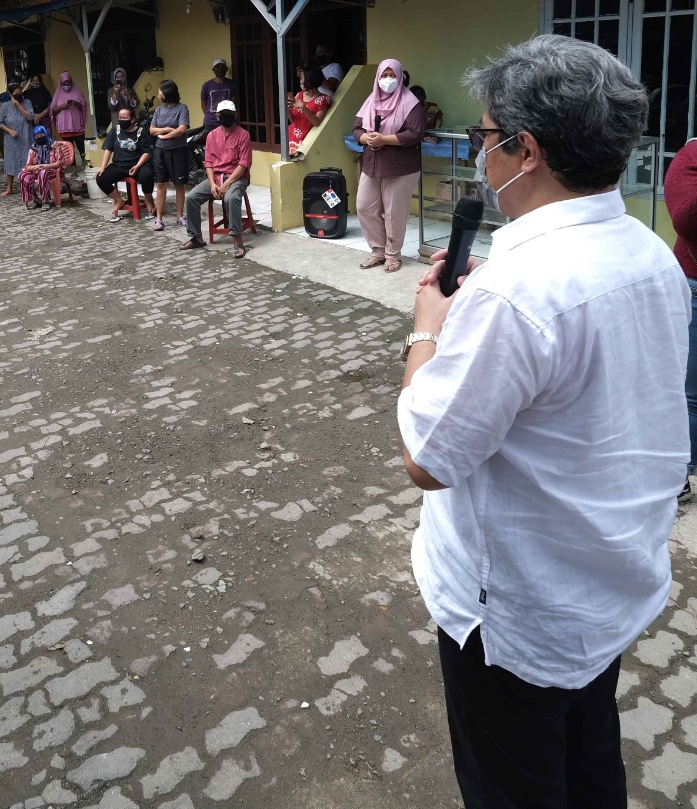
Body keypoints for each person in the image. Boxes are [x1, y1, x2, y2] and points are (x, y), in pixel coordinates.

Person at [398, 35, 688, 808]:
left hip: (517, 618)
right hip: (603, 585)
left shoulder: (515, 293)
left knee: (515, 785)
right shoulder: (650, 251)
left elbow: (429, 455)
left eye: (483, 138)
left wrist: (428, 326)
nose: (478, 153)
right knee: (590, 764)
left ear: (525, 151)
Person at [352, 59, 425, 273]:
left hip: (399, 167)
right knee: (364, 207)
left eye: (392, 75)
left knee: (394, 213)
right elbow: (356, 128)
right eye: (383, 75)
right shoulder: (370, 101)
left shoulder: (411, 103)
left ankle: (393, 255)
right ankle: (378, 251)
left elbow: (415, 133)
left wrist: (385, 139)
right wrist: (366, 138)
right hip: (372, 163)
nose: (387, 80)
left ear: (401, 77)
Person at [666, 138, 697, 501]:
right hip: (693, 286)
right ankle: (682, 475)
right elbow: (686, 219)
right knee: (689, 392)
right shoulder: (691, 154)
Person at [180, 99, 251, 258]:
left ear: (235, 115)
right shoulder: (211, 135)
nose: (226, 117)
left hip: (237, 177)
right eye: (223, 114)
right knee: (191, 197)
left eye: (229, 114)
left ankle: (237, 239)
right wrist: (212, 183)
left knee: (231, 198)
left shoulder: (243, 135)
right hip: (216, 177)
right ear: (217, 116)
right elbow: (209, 162)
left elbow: (243, 164)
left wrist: (227, 183)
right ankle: (196, 237)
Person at [96, 105, 155, 221]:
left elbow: (147, 152)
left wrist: (137, 166)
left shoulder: (141, 132)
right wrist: (102, 167)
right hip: (119, 165)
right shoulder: (114, 131)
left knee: (147, 175)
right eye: (120, 118)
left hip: (138, 164)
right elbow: (108, 149)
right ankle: (118, 200)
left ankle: (148, 199)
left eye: (124, 118)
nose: (121, 120)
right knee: (100, 178)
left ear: (132, 119)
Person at [149, 79, 191, 232]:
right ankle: (159, 219)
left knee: (180, 184)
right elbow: (152, 130)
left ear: (167, 93)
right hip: (161, 151)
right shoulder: (159, 110)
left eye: (160, 92)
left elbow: (182, 129)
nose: (158, 94)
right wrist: (166, 129)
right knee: (161, 184)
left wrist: (166, 136)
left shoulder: (182, 108)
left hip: (178, 150)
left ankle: (180, 216)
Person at [0, 82, 35, 197]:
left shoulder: (27, 103)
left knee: (26, 161)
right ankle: (9, 188)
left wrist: (18, 105)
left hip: (26, 137)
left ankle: (26, 186)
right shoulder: (5, 106)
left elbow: (30, 117)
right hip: (10, 140)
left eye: (20, 92)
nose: (19, 94)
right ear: (11, 94)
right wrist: (10, 131)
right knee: (10, 162)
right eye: (16, 93)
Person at [288, 67, 331, 159]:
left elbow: (317, 122)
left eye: (302, 78)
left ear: (309, 80)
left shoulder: (323, 99)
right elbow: (293, 120)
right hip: (292, 139)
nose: (300, 81)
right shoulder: (298, 95)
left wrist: (303, 107)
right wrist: (286, 109)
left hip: (308, 141)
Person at [19, 126, 66, 211]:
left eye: (41, 135)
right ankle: (36, 199)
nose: (39, 138)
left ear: (46, 134)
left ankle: (46, 201)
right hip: (36, 170)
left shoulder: (54, 145)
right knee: (22, 175)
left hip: (52, 170)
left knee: (43, 173)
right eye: (37, 136)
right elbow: (27, 165)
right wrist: (35, 167)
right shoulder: (34, 148)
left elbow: (60, 162)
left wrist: (46, 166)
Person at [48, 71, 88, 162]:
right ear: (61, 83)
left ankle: (86, 165)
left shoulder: (78, 92)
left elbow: (84, 106)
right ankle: (74, 170)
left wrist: (76, 103)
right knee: (69, 150)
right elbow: (52, 110)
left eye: (68, 83)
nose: (66, 85)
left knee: (82, 147)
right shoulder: (57, 94)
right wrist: (62, 106)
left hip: (77, 127)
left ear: (71, 81)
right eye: (64, 83)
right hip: (64, 127)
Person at [199, 59, 237, 132]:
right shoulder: (207, 85)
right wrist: (210, 116)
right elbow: (203, 104)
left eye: (222, 67)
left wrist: (229, 116)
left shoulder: (232, 84)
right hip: (210, 122)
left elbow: (233, 101)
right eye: (217, 67)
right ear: (213, 70)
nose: (220, 69)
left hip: (226, 120)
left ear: (226, 69)